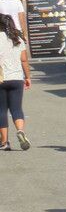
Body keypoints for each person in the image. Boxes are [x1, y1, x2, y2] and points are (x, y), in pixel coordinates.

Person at [0, 14, 31, 151]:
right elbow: (24, 59)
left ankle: (5, 142)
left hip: (1, 78)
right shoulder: (18, 38)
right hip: (17, 78)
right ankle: (20, 130)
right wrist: (28, 77)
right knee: (16, 109)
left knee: (1, 110)